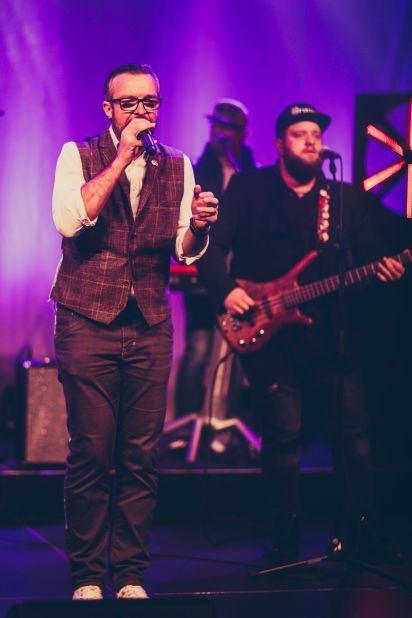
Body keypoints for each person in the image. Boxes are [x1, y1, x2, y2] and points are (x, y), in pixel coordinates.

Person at [197, 103, 406, 563]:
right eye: (299, 134)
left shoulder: (342, 198)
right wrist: (227, 290)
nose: (312, 141)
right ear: (278, 145)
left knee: (353, 437)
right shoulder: (248, 189)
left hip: (329, 335)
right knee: (283, 435)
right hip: (267, 334)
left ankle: (361, 531)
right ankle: (284, 538)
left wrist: (388, 267)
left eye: (316, 134)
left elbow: (374, 250)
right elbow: (209, 249)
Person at [51, 63, 218, 600]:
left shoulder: (178, 164)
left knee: (141, 455)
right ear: (109, 109)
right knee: (92, 451)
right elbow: (71, 221)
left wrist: (198, 228)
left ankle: (128, 574)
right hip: (86, 320)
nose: (141, 111)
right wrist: (121, 157)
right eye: (130, 103)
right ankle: (86, 577)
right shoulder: (78, 154)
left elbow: (184, 250)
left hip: (148, 321)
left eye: (150, 102)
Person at [173, 100, 255, 433]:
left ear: (241, 133)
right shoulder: (198, 170)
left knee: (235, 351)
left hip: (240, 276)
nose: (222, 134)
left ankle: (224, 424)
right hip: (203, 274)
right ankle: (184, 424)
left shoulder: (249, 171)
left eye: (229, 128)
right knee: (199, 347)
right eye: (217, 126)